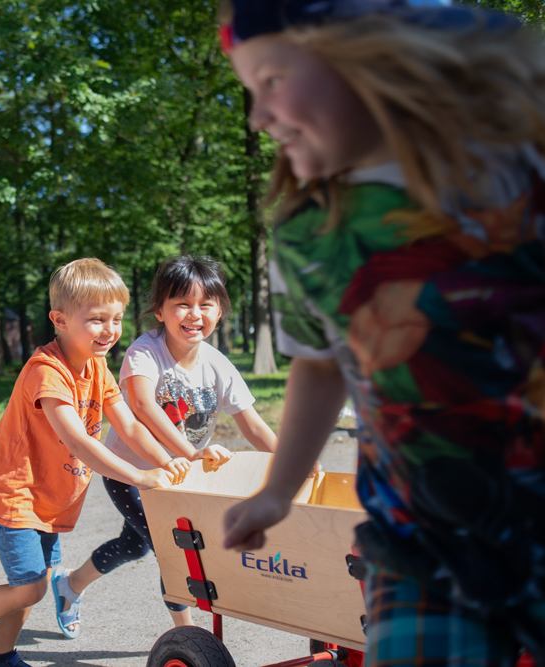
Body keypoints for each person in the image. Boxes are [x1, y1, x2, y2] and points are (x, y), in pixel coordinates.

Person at [217, 0, 545, 662]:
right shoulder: (308, 232)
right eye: (249, 91)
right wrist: (278, 488)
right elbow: (319, 361)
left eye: (273, 80)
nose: (257, 116)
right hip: (415, 543)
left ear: (367, 60)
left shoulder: (514, 178)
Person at [0, 257, 184, 667]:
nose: (110, 330)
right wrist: (140, 475)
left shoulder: (98, 366)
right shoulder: (46, 371)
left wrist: (171, 463)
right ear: (60, 319)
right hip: (17, 493)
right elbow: (78, 440)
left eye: (116, 319)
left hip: (49, 496)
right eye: (98, 319)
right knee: (30, 587)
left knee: (31, 582)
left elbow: (132, 427)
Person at [51, 254, 280, 635]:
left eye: (206, 304)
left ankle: (70, 583)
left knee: (134, 545)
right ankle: (188, 635)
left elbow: (253, 424)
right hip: (132, 473)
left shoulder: (219, 364)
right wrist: (189, 454)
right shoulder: (145, 351)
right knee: (176, 551)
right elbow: (141, 405)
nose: (194, 314)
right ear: (159, 311)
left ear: (220, 310)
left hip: (180, 473)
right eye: (182, 305)